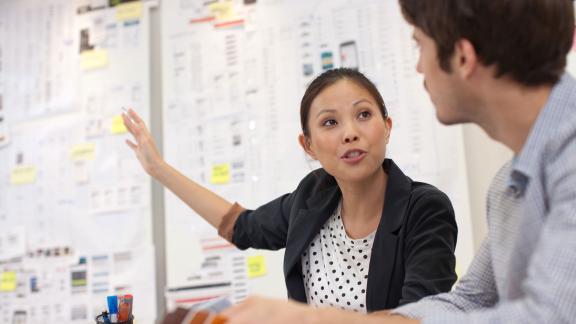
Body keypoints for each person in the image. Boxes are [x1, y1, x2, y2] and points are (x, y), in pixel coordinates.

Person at [217, 0, 576, 323]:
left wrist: (316, 320)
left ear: (463, 57)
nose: (419, 67)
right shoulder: (509, 185)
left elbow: (549, 316)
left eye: (420, 44)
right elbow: (469, 300)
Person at [123, 68, 458, 314]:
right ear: (308, 146)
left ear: (386, 127)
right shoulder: (313, 197)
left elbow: (421, 319)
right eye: (331, 122)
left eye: (364, 114)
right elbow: (240, 226)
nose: (351, 133)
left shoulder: (425, 209)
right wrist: (158, 169)